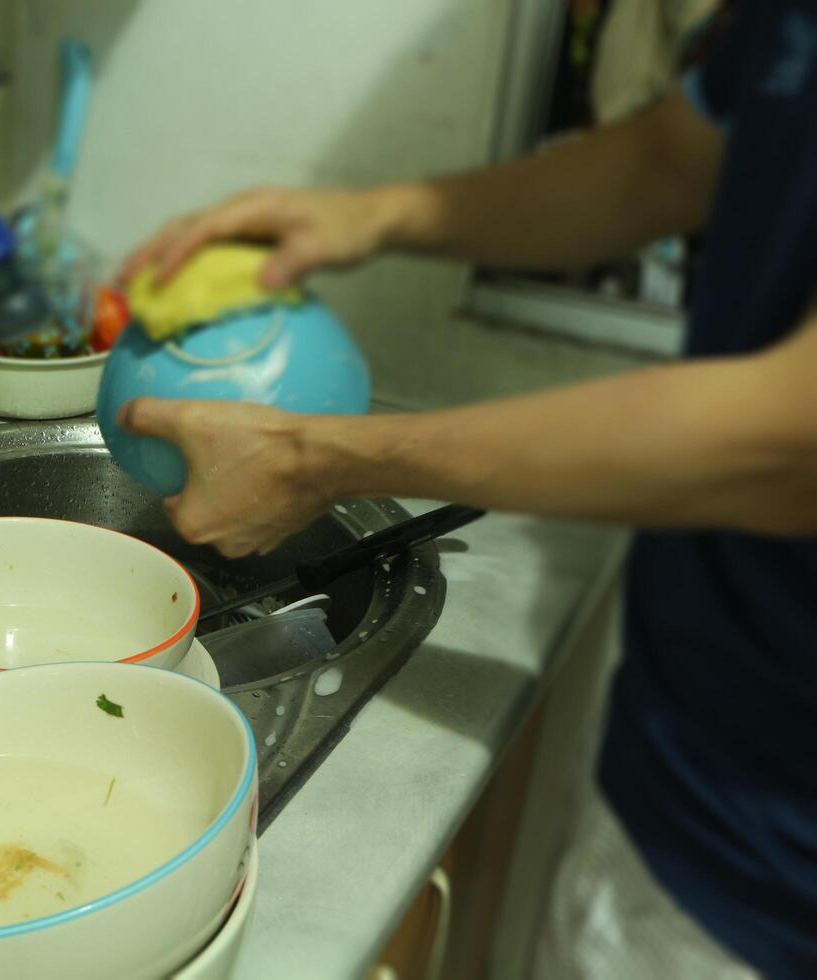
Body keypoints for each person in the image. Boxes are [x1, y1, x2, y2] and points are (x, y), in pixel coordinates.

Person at [117, 3, 816, 977]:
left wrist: (327, 456)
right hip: (682, 748)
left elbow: (790, 442)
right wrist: (372, 214)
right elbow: (668, 159)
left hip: (775, 883)